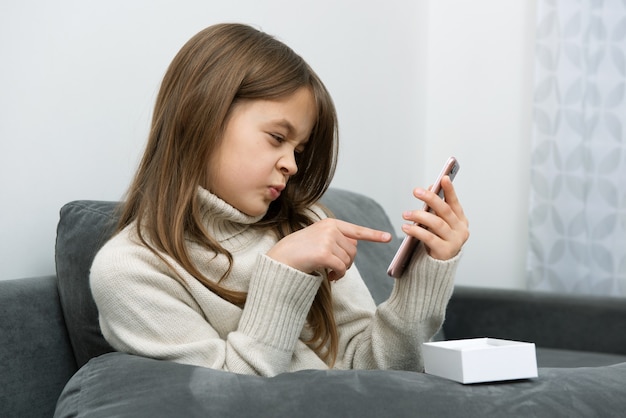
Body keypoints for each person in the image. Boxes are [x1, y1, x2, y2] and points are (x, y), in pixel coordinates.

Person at [90, 23, 469, 377]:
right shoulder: (130, 271)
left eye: (299, 150)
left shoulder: (306, 223)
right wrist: (282, 269)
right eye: (276, 137)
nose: (291, 165)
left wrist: (424, 275)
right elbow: (225, 400)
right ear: (200, 116)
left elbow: (373, 368)